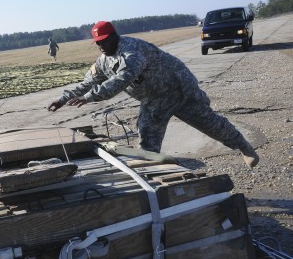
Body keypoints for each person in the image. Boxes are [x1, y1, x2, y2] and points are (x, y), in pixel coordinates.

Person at [47, 21, 259, 168]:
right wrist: (63, 99)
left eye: (104, 40)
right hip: (154, 100)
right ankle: (152, 179)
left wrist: (89, 97)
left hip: (179, 90)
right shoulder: (104, 60)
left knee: (209, 123)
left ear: (114, 36)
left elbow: (122, 79)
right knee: (147, 138)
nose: (101, 45)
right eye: (98, 42)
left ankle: (243, 146)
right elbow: (88, 81)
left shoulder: (131, 51)